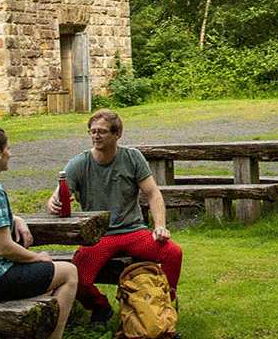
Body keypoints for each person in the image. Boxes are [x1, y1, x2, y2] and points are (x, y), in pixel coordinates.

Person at [53, 108, 183, 324]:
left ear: (117, 134)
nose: (96, 136)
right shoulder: (78, 164)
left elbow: (153, 193)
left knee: (173, 252)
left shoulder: (132, 157)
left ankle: (162, 307)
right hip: (97, 235)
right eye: (92, 131)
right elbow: (56, 198)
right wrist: (53, 203)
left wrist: (160, 226)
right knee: (76, 278)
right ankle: (101, 308)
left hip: (134, 231)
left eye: (102, 132)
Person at [0, 127, 79, 339]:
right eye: (8, 149)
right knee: (68, 272)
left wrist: (15, 218)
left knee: (41, 284)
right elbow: (6, 248)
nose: (11, 154)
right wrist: (39, 258)